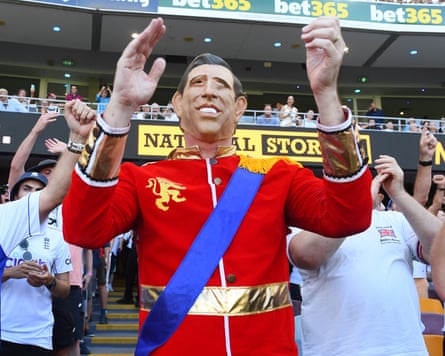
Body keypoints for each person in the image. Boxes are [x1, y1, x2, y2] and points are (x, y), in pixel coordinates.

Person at [62, 17, 372, 355]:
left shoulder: (280, 174)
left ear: (240, 107)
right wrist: (120, 106)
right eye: (197, 82)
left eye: (222, 85)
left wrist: (326, 94)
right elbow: (82, 231)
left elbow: (349, 218)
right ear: (177, 104)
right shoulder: (143, 178)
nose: (209, 90)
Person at [289, 155, 443, 356]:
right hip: (338, 350)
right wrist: (356, 209)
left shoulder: (395, 220)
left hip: (406, 349)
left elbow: (440, 249)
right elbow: (307, 256)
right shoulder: (304, 224)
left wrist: (399, 194)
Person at [0, 100, 96, 355]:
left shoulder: (69, 200)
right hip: (15, 312)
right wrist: (36, 130)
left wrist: (74, 146)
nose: (51, 177)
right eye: (45, 173)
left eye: (57, 172)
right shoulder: (14, 214)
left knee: (67, 346)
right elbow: (16, 167)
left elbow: (90, 174)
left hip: (66, 283)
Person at [1, 172, 73, 356]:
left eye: (40, 190)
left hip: (37, 336)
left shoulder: (57, 237)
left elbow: (64, 290)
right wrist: (9, 272)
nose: (33, 194)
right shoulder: (3, 228)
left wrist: (49, 281)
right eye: (27, 189)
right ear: (15, 195)